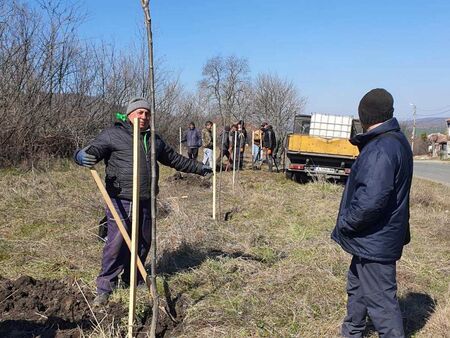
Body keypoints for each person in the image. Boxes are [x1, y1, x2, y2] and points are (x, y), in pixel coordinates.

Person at [74, 97, 212, 306]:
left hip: (146, 200)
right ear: (129, 115)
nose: (144, 117)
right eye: (139, 113)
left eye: (147, 113)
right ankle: (105, 287)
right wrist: (80, 156)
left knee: (143, 242)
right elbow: (91, 151)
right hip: (121, 200)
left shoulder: (154, 139)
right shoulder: (113, 134)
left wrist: (200, 168)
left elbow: (174, 160)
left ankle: (132, 279)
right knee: (116, 243)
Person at [331, 88, 413, 338]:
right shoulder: (395, 141)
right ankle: (352, 332)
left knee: (382, 306)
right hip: (372, 240)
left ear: (364, 115)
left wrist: (346, 223)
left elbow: (371, 201)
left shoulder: (381, 148)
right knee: (356, 288)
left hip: (374, 240)